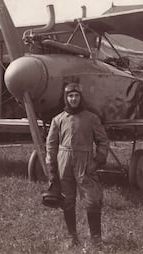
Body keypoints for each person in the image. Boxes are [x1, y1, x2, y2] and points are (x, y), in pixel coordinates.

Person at [45, 83, 109, 248]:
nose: (73, 99)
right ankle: (72, 238)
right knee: (67, 200)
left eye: (76, 96)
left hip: (85, 163)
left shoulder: (91, 118)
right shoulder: (58, 120)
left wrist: (98, 160)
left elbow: (102, 140)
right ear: (66, 98)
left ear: (81, 98)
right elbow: (51, 146)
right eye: (70, 96)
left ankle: (96, 239)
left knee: (92, 199)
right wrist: (52, 170)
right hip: (63, 163)